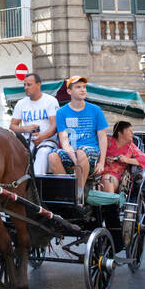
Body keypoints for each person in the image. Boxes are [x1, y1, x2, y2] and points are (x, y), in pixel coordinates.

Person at [53, 76, 109, 206]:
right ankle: (66, 193)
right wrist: (74, 158)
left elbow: (102, 137)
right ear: (69, 91)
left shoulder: (95, 110)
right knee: (53, 156)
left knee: (81, 152)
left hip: (91, 152)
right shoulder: (61, 112)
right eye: (78, 87)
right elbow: (64, 140)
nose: (83, 90)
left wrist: (101, 162)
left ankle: (78, 196)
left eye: (84, 87)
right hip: (73, 152)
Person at [9, 72, 59, 174]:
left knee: (42, 153)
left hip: (47, 142)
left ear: (38, 85)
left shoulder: (50, 101)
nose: (26, 88)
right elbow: (12, 126)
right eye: (24, 85)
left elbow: (55, 125)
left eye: (29, 84)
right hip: (26, 144)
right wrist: (26, 128)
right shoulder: (21, 103)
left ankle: (35, 185)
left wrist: (42, 137)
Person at [99, 120, 145, 194]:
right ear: (120, 133)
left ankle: (109, 204)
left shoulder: (131, 146)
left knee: (108, 179)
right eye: (129, 131)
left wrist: (126, 160)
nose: (132, 133)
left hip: (117, 178)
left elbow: (144, 160)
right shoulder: (107, 140)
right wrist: (104, 159)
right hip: (98, 173)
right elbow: (95, 151)